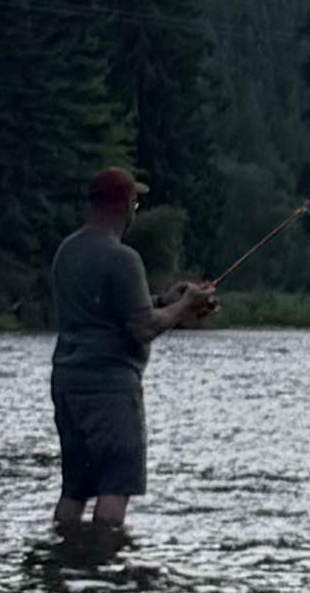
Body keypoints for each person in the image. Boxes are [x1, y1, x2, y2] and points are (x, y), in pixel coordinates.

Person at [44, 164, 216, 544]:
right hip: (110, 390)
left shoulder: (67, 251)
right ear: (126, 206)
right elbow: (142, 327)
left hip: (67, 384)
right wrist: (185, 306)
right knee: (114, 485)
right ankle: (104, 570)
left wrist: (164, 301)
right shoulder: (123, 259)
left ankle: (62, 556)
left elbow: (114, 312)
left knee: (75, 488)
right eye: (135, 203)